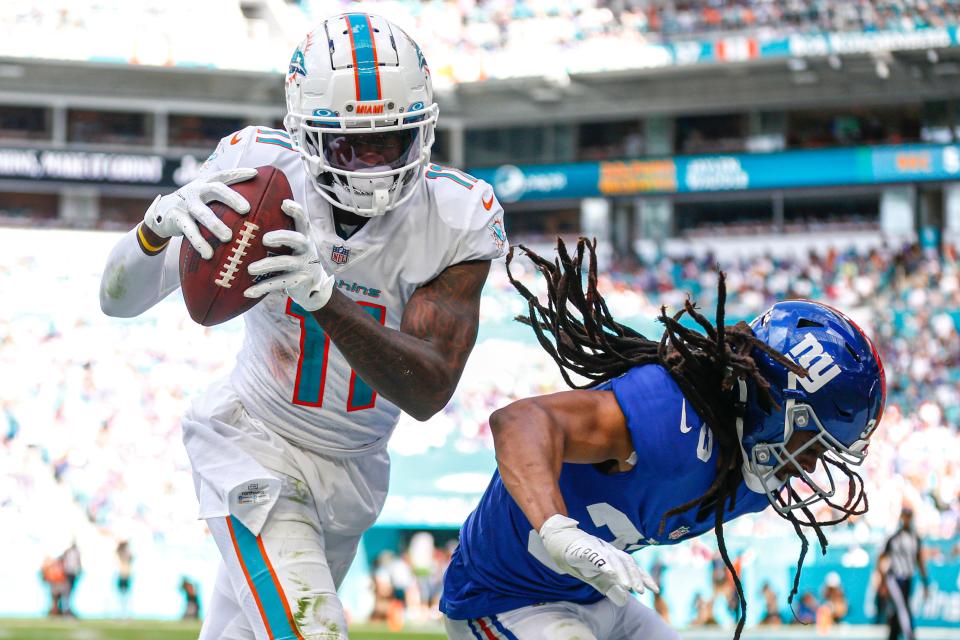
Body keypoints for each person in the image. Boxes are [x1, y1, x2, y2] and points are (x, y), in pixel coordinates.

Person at [99, 13, 506, 640]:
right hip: (252, 439)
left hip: (353, 468)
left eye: (389, 142)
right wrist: (153, 232)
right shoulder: (256, 172)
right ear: (305, 134)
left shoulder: (455, 217)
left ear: (422, 133)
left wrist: (324, 299)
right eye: (350, 145)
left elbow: (429, 390)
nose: (371, 166)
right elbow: (117, 302)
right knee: (311, 631)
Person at [440, 238, 885, 640]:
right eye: (813, 440)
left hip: (597, 601)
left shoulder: (755, 478)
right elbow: (518, 421)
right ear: (770, 403)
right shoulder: (669, 416)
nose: (810, 464)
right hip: (504, 597)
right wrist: (558, 529)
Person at [877, 507, 929, 640]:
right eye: (904, 517)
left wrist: (925, 582)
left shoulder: (915, 538)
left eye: (908, 517)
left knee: (901, 606)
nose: (906, 520)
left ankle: (893, 634)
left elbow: (919, 560)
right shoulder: (894, 538)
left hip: (908, 577)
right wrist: (882, 581)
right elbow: (881, 558)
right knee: (902, 606)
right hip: (894, 577)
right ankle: (909, 634)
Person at [116, 540, 133, 618]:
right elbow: (118, 552)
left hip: (126, 576)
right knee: (121, 597)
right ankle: (122, 614)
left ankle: (125, 614)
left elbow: (131, 557)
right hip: (122, 576)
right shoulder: (121, 553)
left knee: (125, 597)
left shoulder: (128, 553)